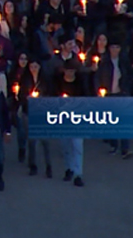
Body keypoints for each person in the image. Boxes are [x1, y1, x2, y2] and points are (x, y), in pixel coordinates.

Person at [55, 59, 86, 187]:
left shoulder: (80, 83)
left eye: (72, 71)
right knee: (66, 146)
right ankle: (69, 168)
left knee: (77, 146)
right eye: (68, 71)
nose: (70, 73)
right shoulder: (57, 82)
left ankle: (78, 174)